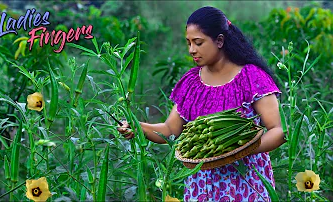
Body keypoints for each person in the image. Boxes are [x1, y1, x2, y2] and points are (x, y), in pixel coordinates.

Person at [117, 6, 285, 202]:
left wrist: (238, 149)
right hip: (202, 186)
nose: (192, 50)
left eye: (198, 43)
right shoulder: (191, 82)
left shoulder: (250, 77)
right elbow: (170, 129)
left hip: (245, 185)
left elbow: (278, 132)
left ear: (220, 41)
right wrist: (137, 127)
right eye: (188, 43)